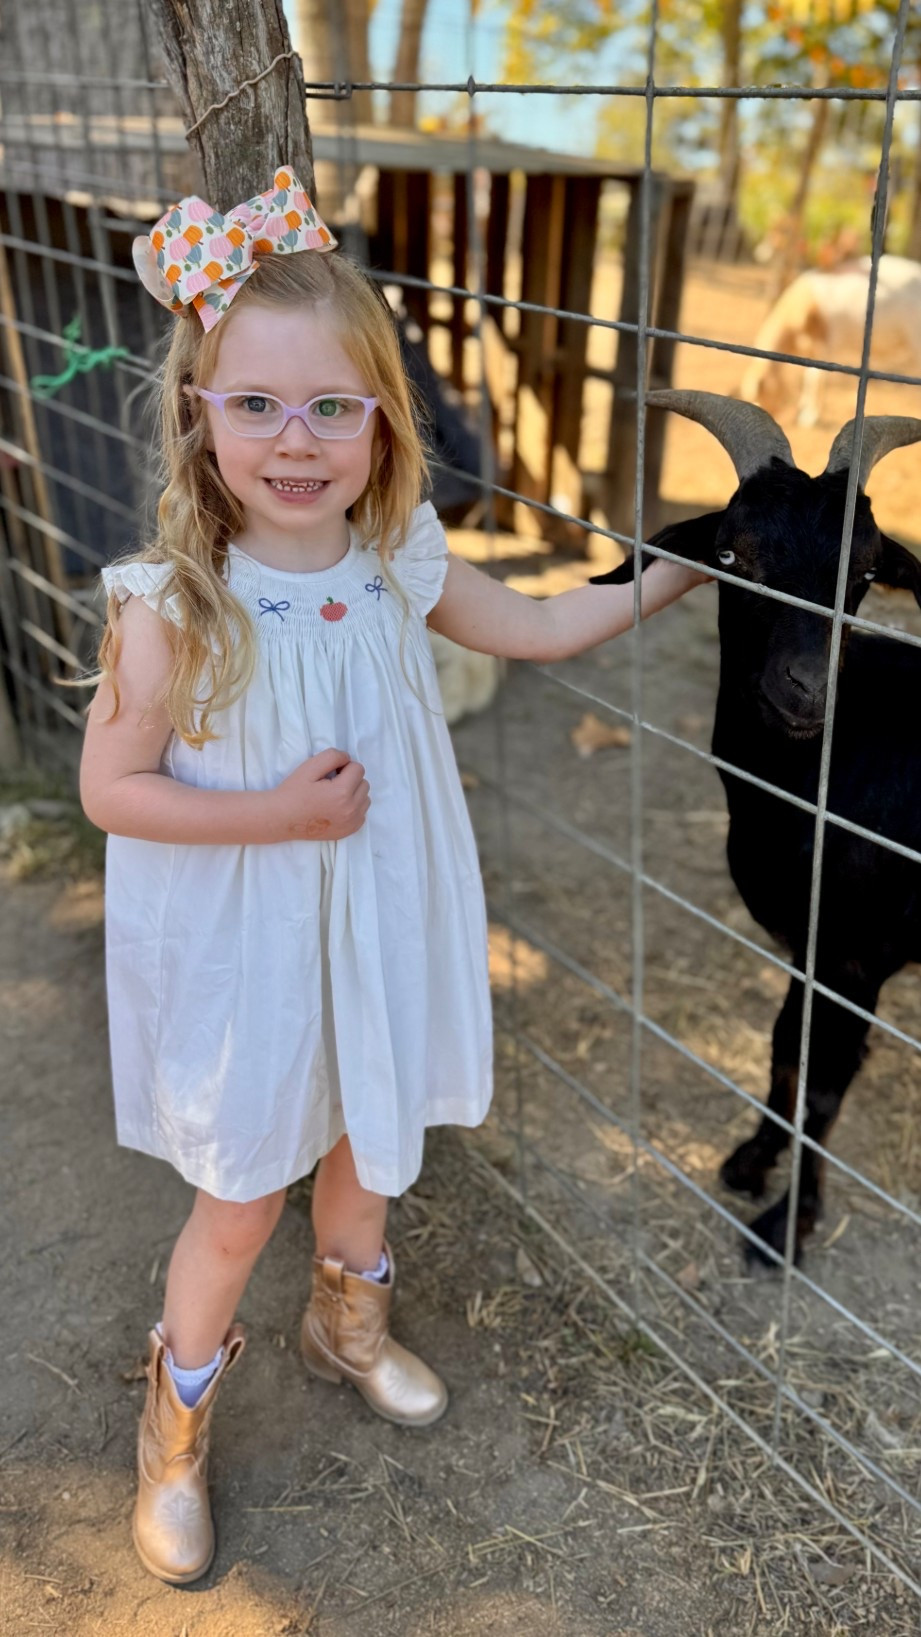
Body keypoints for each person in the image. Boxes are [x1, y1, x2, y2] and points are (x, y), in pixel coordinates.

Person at [79, 167, 706, 1586]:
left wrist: (683, 565)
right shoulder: (169, 603)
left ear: (382, 420)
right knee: (241, 1195)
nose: (294, 441)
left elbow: (542, 625)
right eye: (254, 404)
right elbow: (110, 789)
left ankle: (343, 1323)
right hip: (253, 943)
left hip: (377, 921)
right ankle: (170, 1432)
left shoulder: (394, 556)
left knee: (369, 1146)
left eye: (331, 407)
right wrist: (277, 818)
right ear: (198, 409)